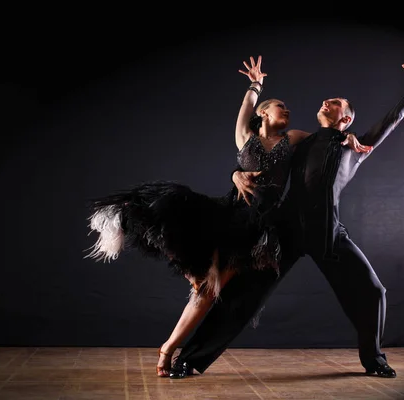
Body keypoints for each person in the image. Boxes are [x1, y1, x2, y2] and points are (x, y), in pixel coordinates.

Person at [85, 55, 372, 377]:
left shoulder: (293, 140)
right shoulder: (245, 138)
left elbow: (326, 139)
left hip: (257, 227)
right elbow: (246, 109)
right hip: (226, 215)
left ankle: (168, 348)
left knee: (208, 293)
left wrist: (348, 137)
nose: (288, 111)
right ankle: (180, 315)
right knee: (181, 244)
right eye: (281, 107)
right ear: (264, 113)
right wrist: (255, 85)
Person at [168, 45, 404, 379]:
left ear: (346, 118)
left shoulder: (356, 148)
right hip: (283, 232)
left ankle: (374, 359)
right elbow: (255, 155)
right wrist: (236, 173)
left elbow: (393, 119)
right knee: (241, 296)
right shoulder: (298, 142)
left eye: (335, 103)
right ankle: (190, 360)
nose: (326, 102)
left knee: (373, 290)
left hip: (327, 234)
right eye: (326, 100)